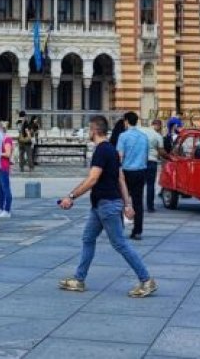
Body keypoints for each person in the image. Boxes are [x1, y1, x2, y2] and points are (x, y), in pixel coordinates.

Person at [58, 115, 157, 298]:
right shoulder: (111, 150)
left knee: (120, 244)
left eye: (89, 129)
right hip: (100, 205)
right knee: (88, 238)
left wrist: (71, 196)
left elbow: (93, 178)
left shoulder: (102, 151)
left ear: (94, 130)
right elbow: (120, 178)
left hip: (107, 205)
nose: (88, 132)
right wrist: (127, 203)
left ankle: (146, 280)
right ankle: (79, 279)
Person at [116, 111, 148, 240]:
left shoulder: (123, 136)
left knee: (120, 200)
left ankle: (118, 229)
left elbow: (120, 156)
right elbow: (145, 155)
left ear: (126, 121)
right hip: (140, 171)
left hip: (127, 171)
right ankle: (137, 231)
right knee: (138, 202)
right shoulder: (143, 136)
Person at [140, 119, 163, 213]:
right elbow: (161, 151)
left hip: (141, 161)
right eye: (160, 126)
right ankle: (150, 207)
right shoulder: (158, 136)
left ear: (152, 124)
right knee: (150, 185)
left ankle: (137, 205)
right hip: (152, 161)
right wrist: (168, 157)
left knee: (140, 184)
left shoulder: (143, 131)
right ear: (158, 125)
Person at [0, 125, 13, 218]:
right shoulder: (0, 140)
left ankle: (7, 210)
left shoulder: (7, 139)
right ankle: (0, 208)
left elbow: (7, 154)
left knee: (5, 188)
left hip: (4, 166)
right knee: (0, 190)